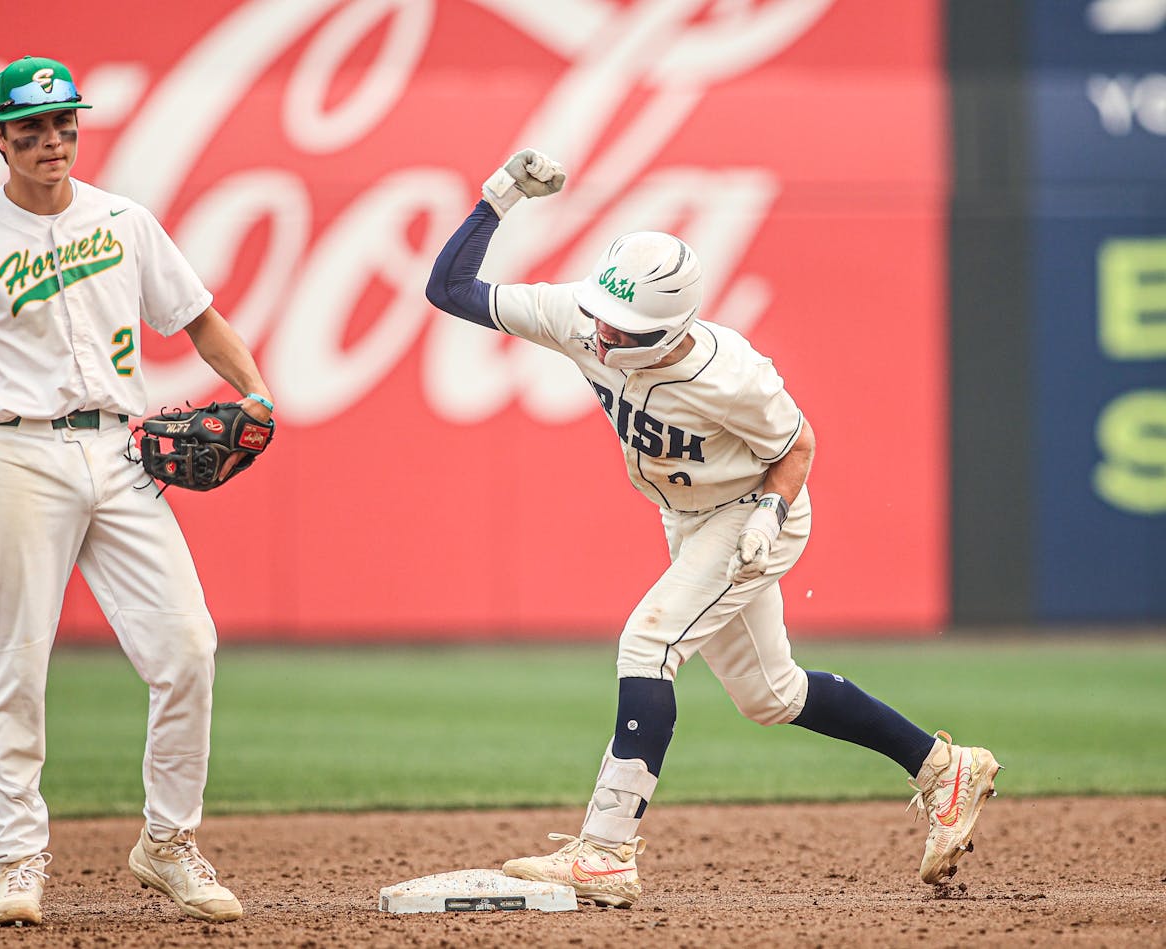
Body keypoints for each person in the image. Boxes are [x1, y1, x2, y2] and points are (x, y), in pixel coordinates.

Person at [425, 149, 1001, 907]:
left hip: (753, 514)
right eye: (603, 314)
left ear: (673, 328)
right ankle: (940, 768)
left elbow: (796, 446)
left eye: (625, 328)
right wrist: (500, 198)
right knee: (772, 694)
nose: (603, 336)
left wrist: (767, 514)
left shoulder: (729, 374)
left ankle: (604, 851)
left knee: (648, 640)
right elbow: (450, 289)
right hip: (688, 518)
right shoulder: (582, 315)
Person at [0, 55, 275, 927]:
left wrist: (255, 393)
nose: (51, 140)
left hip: (121, 453)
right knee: (16, 669)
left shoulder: (123, 219)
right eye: (29, 129)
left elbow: (198, 318)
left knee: (188, 647)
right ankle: (18, 861)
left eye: (63, 123)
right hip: (14, 456)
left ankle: (169, 842)